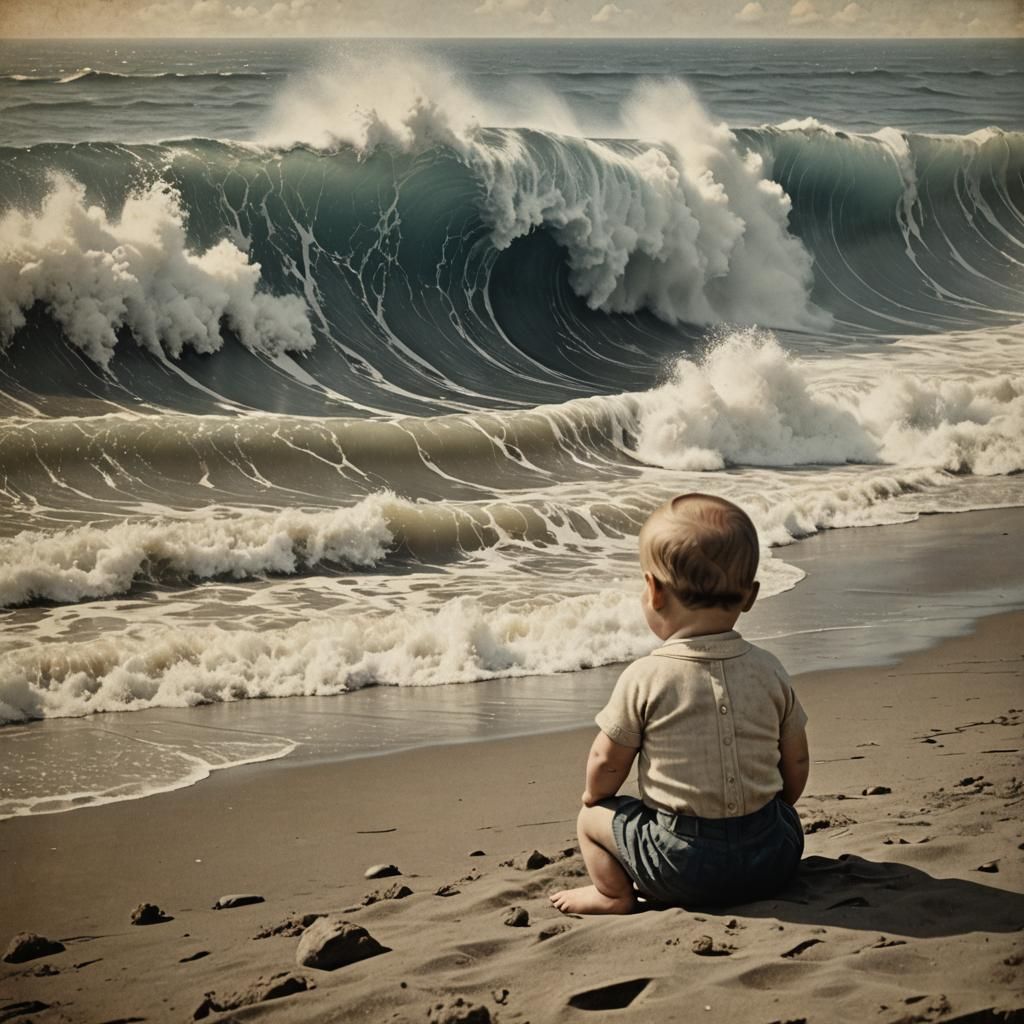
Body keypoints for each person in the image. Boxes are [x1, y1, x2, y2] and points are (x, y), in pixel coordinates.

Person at [549, 492, 809, 915]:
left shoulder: (645, 676)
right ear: (751, 595)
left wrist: (595, 796)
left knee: (591, 818)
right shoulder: (770, 670)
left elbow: (606, 761)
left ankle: (613, 895)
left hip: (680, 867)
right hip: (771, 863)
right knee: (781, 818)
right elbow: (796, 764)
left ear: (653, 592)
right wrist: (773, 815)